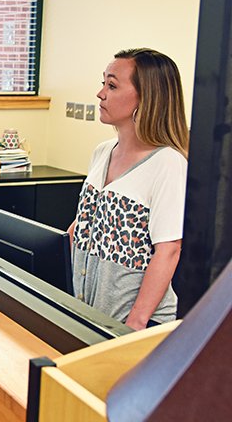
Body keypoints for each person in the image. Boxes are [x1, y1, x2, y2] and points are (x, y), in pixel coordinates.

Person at [68, 48, 188, 331]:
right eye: (103, 83)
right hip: (90, 314)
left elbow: (169, 250)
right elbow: (82, 226)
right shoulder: (102, 152)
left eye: (111, 85)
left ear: (145, 98)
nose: (100, 94)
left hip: (135, 323)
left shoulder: (168, 163)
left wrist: (136, 322)